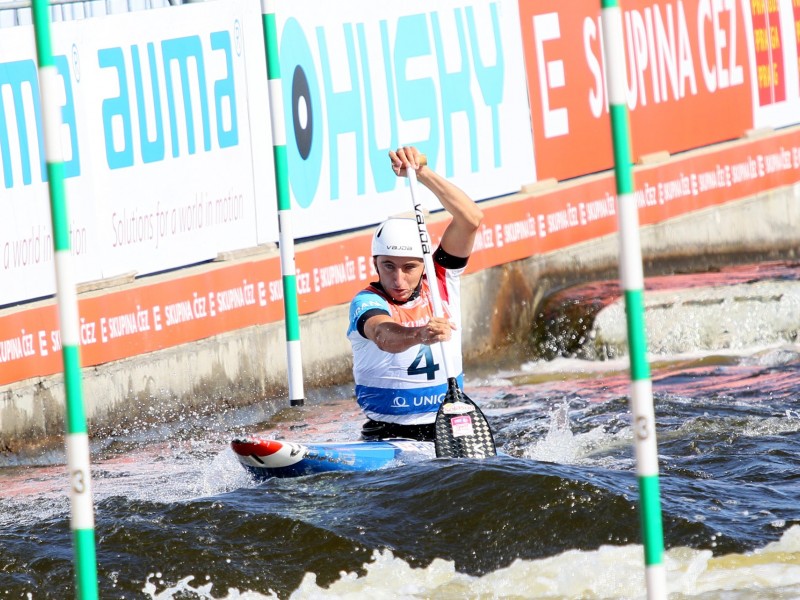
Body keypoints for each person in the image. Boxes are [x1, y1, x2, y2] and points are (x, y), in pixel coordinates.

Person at [346, 146, 483, 441]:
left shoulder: (440, 278)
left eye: (409, 267)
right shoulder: (367, 301)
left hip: (447, 428)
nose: (398, 279)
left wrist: (422, 173)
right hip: (387, 432)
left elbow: (470, 220)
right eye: (388, 267)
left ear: (424, 264)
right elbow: (384, 336)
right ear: (375, 263)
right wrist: (420, 335)